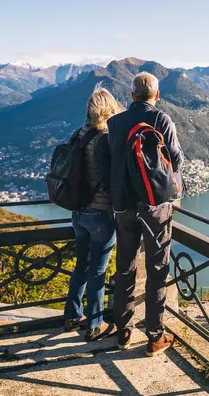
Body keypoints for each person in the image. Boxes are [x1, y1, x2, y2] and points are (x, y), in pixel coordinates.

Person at [107, 72, 184, 357]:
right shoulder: (162, 120)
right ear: (157, 95)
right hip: (156, 208)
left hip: (123, 207)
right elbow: (176, 159)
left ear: (131, 96)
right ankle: (155, 337)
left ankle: (123, 332)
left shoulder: (113, 123)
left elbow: (108, 163)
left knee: (125, 268)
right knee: (157, 270)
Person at [63, 88, 123, 342]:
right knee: (98, 270)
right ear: (108, 111)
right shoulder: (103, 139)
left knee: (82, 265)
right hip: (100, 215)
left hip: (78, 213)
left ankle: (71, 315)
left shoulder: (78, 135)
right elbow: (104, 176)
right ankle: (95, 323)